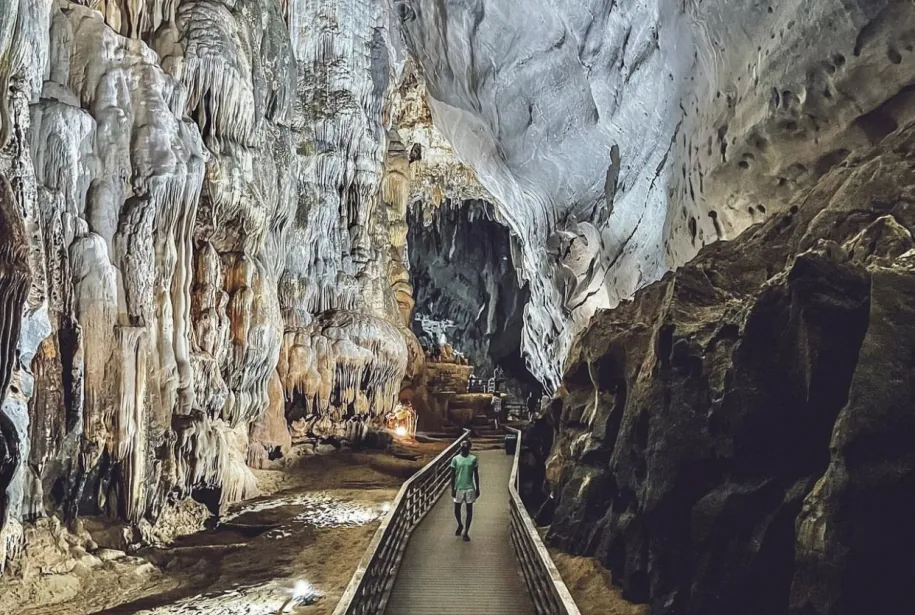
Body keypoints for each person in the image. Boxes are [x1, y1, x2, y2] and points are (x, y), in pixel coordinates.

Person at [450, 439, 480, 541]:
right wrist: (452, 488)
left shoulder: (473, 459)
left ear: (469, 447)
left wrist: (477, 488)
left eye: (466, 446)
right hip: (459, 487)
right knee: (456, 509)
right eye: (462, 446)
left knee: (469, 510)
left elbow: (476, 474)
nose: (464, 447)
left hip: (470, 487)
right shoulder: (455, 459)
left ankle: (466, 532)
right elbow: (452, 475)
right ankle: (460, 524)